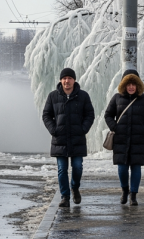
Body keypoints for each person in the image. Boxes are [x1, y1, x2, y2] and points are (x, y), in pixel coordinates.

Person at [104, 69, 144, 205]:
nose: (131, 87)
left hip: (138, 140)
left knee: (136, 167)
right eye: (128, 84)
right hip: (121, 140)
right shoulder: (117, 98)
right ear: (124, 84)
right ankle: (125, 190)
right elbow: (108, 115)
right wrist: (115, 127)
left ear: (138, 85)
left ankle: (133, 195)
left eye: (134, 84)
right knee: (122, 168)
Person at [42, 67, 95, 208]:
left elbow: (90, 114)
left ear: (74, 80)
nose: (67, 81)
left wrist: (83, 129)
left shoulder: (83, 96)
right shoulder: (53, 96)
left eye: (70, 78)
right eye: (64, 78)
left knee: (77, 167)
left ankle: (75, 187)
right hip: (60, 139)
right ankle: (65, 197)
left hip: (77, 139)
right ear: (60, 80)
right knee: (62, 169)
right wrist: (54, 129)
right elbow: (46, 115)